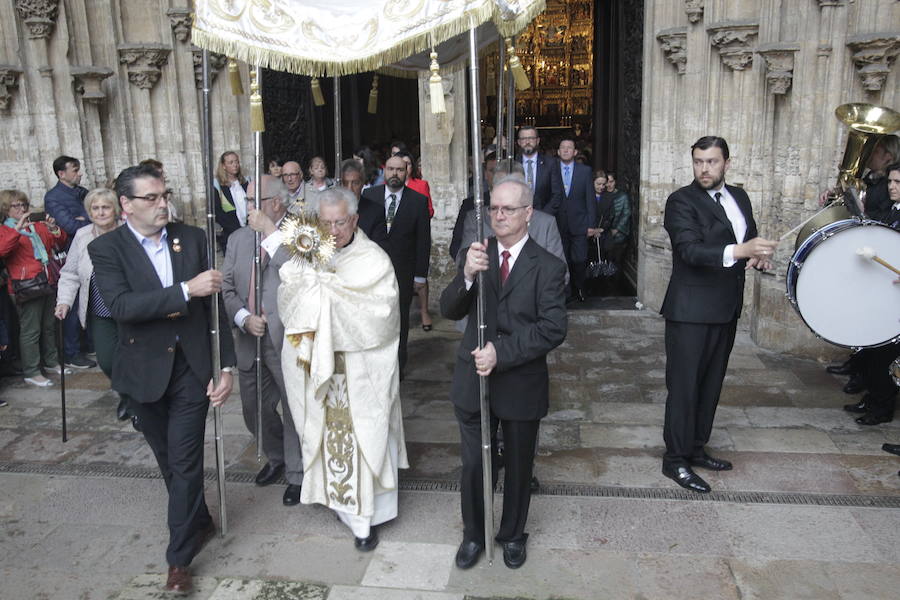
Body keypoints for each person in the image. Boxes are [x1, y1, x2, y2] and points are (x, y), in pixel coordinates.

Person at [88, 164, 236, 594]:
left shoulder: (190, 238)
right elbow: (121, 306)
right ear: (126, 205)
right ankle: (199, 519)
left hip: (191, 369)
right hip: (142, 373)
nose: (161, 204)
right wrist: (186, 290)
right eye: (150, 198)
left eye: (164, 195)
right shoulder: (108, 248)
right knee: (168, 460)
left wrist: (224, 365)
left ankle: (178, 558)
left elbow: (213, 311)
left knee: (186, 460)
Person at [440, 178, 567, 570]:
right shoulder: (477, 254)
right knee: (475, 464)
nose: (498, 215)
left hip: (519, 379)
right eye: (494, 208)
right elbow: (449, 309)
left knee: (517, 463)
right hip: (472, 377)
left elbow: (552, 328)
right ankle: (473, 534)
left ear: (528, 213)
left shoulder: (548, 266)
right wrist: (466, 277)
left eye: (508, 209)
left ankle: (512, 534)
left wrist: (501, 352)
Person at [279, 186, 408, 551]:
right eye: (325, 222)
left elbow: (382, 318)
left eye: (340, 222)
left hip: (361, 371)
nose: (333, 230)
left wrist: (326, 297)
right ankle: (337, 502)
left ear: (354, 219)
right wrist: (312, 290)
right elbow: (289, 303)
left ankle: (366, 519)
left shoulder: (374, 260)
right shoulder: (305, 259)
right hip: (321, 370)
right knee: (326, 438)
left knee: (362, 438)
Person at [660, 136, 776, 494]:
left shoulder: (739, 197)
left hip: (726, 307)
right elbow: (691, 250)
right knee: (684, 387)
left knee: (710, 385)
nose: (704, 169)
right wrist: (743, 249)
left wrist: (758, 254)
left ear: (727, 162)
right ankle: (675, 460)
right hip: (690, 311)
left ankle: (696, 447)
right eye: (698, 162)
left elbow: (747, 239)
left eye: (711, 162)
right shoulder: (680, 201)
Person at [221, 175, 304, 505]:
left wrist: (271, 233)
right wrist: (243, 317)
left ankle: (298, 472)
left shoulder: (302, 234)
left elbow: (300, 272)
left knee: (295, 406)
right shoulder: (238, 239)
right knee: (254, 406)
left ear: (276, 203)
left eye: (255, 201)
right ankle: (276, 456)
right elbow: (226, 286)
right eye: (247, 200)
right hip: (249, 337)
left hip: (287, 338)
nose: (248, 207)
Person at [54, 188, 128, 418]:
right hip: (99, 308)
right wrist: (64, 301)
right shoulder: (83, 235)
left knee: (133, 355)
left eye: (105, 207)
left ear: (115, 209)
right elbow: (70, 273)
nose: (100, 212)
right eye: (95, 208)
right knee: (106, 359)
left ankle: (136, 399)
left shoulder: (129, 232)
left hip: (129, 306)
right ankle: (127, 393)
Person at [361, 155, 431, 374]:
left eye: (399, 170)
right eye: (390, 169)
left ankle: (398, 367)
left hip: (402, 271)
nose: (394, 174)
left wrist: (420, 276)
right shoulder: (369, 196)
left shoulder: (417, 201)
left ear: (407, 172)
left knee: (400, 319)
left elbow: (423, 241)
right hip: (372, 271)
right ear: (384, 171)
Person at [846, 162, 900, 426]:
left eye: (898, 183)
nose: (892, 187)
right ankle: (873, 398)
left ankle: (882, 407)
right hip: (884, 294)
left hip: (896, 300)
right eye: (890, 181)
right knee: (873, 351)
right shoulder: (892, 211)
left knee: (887, 358)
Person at [0, 190, 68, 387]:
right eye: (16, 206)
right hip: (25, 283)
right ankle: (31, 370)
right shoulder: (6, 230)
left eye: (24, 205)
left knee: (48, 325)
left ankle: (52, 362)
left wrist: (53, 228)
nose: (22, 209)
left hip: (46, 279)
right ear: (6, 209)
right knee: (31, 329)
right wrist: (17, 230)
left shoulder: (35, 226)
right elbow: (3, 250)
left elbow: (59, 240)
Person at [44, 155, 96, 370]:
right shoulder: (54, 197)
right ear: (61, 174)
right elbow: (70, 226)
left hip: (91, 249)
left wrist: (85, 219)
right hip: (71, 252)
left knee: (92, 299)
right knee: (71, 305)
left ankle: (89, 343)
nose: (80, 173)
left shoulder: (82, 192)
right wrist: (85, 220)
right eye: (75, 170)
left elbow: (92, 215)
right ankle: (72, 352)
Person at [395, 150, 434, 331]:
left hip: (417, 235)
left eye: (407, 164)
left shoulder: (421, 185)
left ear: (412, 166)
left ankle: (424, 311)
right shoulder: (391, 186)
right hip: (398, 237)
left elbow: (429, 210)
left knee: (420, 278)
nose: (404, 168)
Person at [556, 138, 595, 302]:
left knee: (579, 259)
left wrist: (591, 225)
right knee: (562, 259)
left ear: (575, 152)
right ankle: (566, 292)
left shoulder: (585, 171)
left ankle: (580, 288)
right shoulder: (552, 169)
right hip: (557, 224)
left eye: (569, 147)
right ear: (558, 152)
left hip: (580, 223)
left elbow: (590, 199)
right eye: (562, 147)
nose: (565, 150)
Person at [516, 126, 563, 216]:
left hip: (544, 217)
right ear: (518, 142)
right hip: (518, 218)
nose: (527, 142)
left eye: (531, 138)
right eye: (523, 139)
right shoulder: (513, 164)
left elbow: (557, 194)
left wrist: (542, 217)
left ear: (538, 141)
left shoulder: (551, 163)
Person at [213, 150, 249, 251]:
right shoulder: (217, 186)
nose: (235, 165)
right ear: (224, 166)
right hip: (231, 233)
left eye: (237, 161)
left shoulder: (246, 182)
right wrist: (237, 230)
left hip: (249, 230)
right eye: (231, 162)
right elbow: (218, 212)